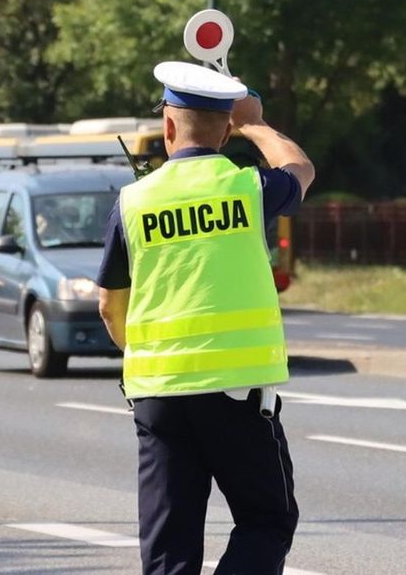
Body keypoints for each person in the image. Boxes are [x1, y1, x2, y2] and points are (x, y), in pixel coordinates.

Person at [98, 60, 315, 575]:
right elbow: (301, 170)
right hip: (235, 394)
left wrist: (147, 355)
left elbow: (108, 304)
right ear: (224, 131)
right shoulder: (248, 189)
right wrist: (255, 125)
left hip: (158, 396)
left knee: (168, 550)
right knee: (266, 520)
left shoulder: (133, 202)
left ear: (168, 127)